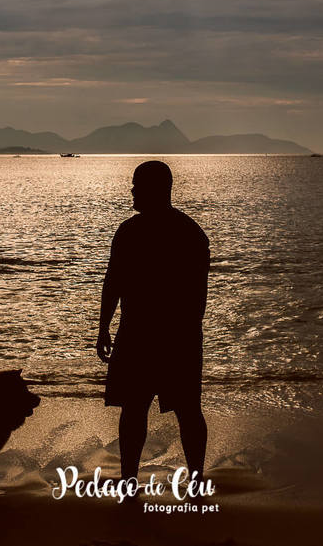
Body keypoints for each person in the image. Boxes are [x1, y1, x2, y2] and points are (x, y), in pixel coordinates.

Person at [96, 160, 210, 485]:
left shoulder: (180, 234)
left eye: (137, 186)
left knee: (176, 411)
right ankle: (135, 481)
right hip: (157, 336)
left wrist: (106, 327)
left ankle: (191, 480)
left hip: (155, 337)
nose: (132, 191)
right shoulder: (186, 232)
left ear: (155, 190)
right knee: (144, 411)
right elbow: (113, 281)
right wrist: (104, 326)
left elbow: (194, 299)